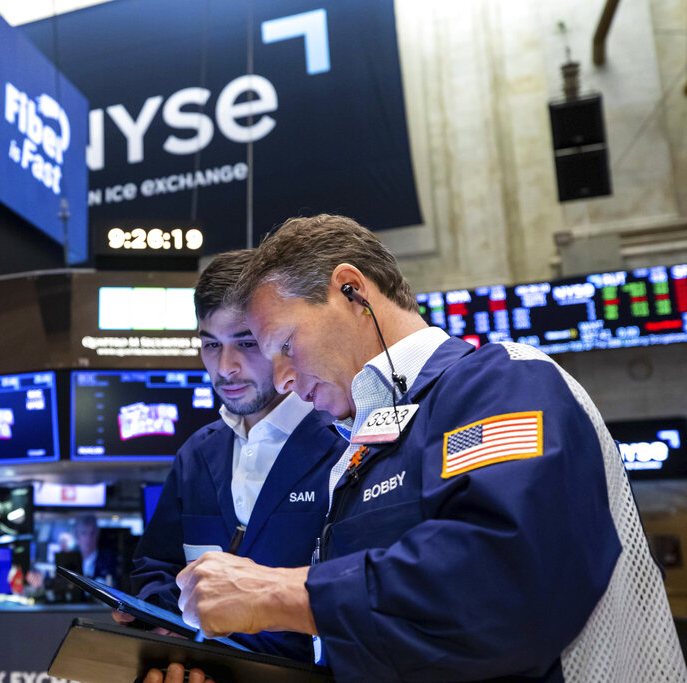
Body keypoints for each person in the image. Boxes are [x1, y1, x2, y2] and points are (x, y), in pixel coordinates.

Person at [167, 215, 686, 682]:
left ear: (351, 291)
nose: (280, 380)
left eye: (283, 344)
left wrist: (277, 594)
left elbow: (505, 582)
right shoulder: (360, 449)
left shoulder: (499, 383)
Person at [122, 249, 348, 661]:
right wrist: (161, 625)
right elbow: (158, 568)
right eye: (211, 344)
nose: (225, 367)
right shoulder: (196, 453)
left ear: (280, 340)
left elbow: (365, 589)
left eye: (245, 343)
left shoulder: (344, 441)